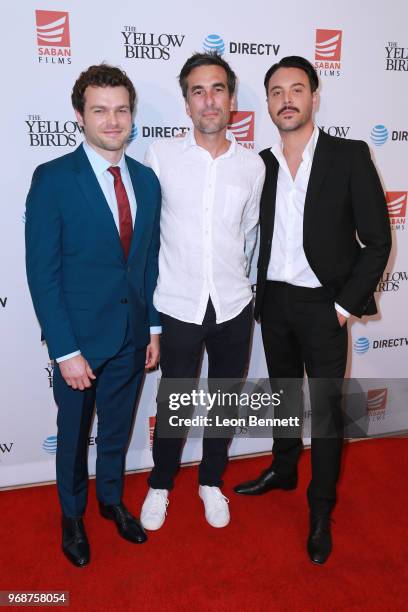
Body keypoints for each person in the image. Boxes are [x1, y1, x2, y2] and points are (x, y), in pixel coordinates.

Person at [234, 56, 391, 563]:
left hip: (326, 306)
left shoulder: (348, 156)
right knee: (281, 395)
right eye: (276, 92)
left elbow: (378, 241)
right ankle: (283, 469)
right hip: (275, 302)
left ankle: (320, 508)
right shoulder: (259, 165)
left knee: (325, 415)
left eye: (296, 89)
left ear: (315, 97)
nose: (287, 100)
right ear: (268, 102)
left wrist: (345, 305)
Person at [25, 64, 161, 567]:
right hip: (78, 343)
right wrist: (65, 350)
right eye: (99, 109)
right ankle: (72, 515)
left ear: (131, 115)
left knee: (119, 428)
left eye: (121, 109)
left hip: (131, 338)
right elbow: (43, 272)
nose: (112, 120)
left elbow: (145, 261)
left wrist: (152, 329)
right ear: (80, 115)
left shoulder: (147, 182)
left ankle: (110, 501)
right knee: (74, 434)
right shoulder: (53, 178)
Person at [140, 52, 265, 530]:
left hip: (233, 302)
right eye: (198, 91)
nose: (209, 100)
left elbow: (249, 235)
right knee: (173, 399)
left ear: (232, 100)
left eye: (217, 89)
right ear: (186, 103)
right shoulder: (161, 157)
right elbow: (150, 238)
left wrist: (245, 286)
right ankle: (161, 482)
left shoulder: (252, 167)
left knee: (226, 396)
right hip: (176, 303)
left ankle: (211, 480)